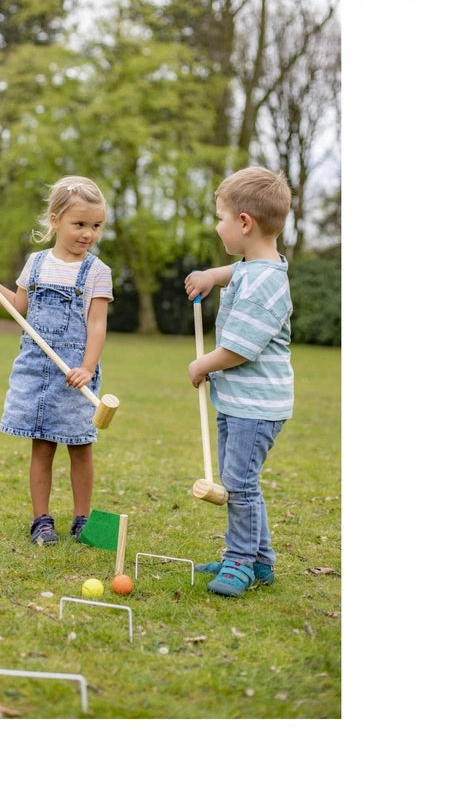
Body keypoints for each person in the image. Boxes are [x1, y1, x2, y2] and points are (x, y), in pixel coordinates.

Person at [0, 176, 114, 546]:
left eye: (95, 226)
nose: (88, 234)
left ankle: (83, 520)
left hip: (74, 374)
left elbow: (96, 326)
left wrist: (88, 368)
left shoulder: (97, 272)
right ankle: (41, 520)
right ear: (56, 219)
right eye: (80, 224)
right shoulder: (35, 263)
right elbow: (19, 309)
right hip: (36, 370)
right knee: (41, 446)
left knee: (80, 446)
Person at [184, 166, 294, 597]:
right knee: (240, 482)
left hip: (255, 406)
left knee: (240, 486)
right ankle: (259, 559)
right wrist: (213, 275)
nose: (218, 226)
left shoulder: (264, 284)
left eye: (221, 217)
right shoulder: (257, 269)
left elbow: (241, 348)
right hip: (239, 401)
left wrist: (203, 365)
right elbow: (239, 273)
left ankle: (239, 561)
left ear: (243, 222)